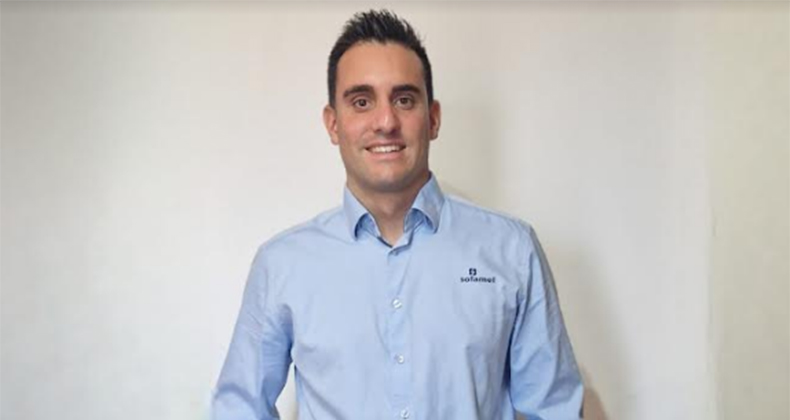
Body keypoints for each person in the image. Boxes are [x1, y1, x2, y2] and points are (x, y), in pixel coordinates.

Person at [211, 9, 583, 420]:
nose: (386, 121)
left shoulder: (511, 250)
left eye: (404, 100)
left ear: (433, 118)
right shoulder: (282, 265)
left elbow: (556, 411)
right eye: (362, 102)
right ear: (333, 124)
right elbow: (238, 411)